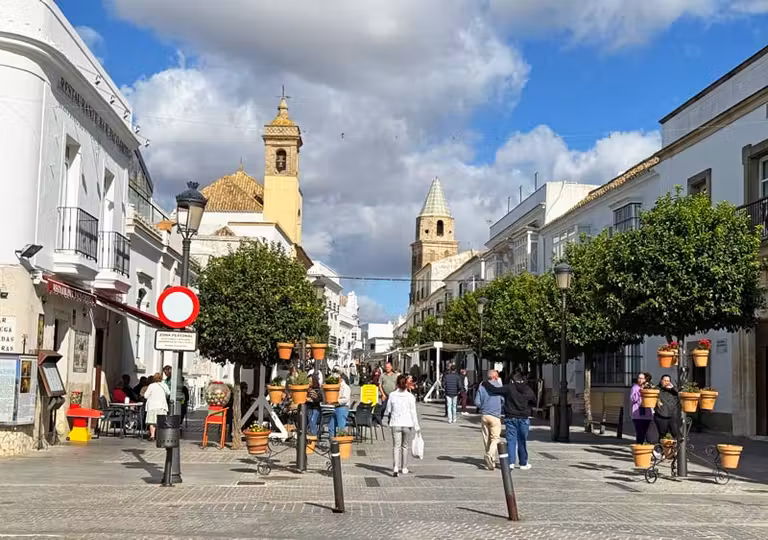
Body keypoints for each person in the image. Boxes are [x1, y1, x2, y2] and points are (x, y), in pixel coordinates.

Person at [482, 371, 536, 470]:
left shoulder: (509, 388)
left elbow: (494, 390)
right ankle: (523, 463)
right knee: (522, 441)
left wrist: (485, 383)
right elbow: (534, 401)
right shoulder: (528, 390)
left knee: (511, 441)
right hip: (523, 418)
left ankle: (511, 462)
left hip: (510, 417)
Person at [384, 374, 420, 477]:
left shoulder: (392, 395)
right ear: (407, 384)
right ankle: (404, 467)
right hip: (407, 423)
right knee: (405, 446)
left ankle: (395, 466)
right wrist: (416, 426)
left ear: (397, 384)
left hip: (395, 423)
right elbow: (413, 412)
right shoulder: (410, 397)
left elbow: (388, 409)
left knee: (396, 446)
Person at [475, 369, 504, 471]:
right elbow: (503, 400)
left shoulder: (482, 386)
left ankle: (491, 462)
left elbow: (477, 402)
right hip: (495, 416)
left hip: (484, 415)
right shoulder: (499, 386)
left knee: (487, 439)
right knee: (495, 438)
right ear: (496, 377)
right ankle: (490, 455)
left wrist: (483, 407)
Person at [144, 373, 170, 441]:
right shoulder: (164, 385)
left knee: (152, 422)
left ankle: (152, 435)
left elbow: (145, 396)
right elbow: (168, 393)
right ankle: (160, 435)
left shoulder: (151, 386)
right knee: (161, 421)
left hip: (152, 406)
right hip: (162, 405)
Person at [654, 374, 680, 442]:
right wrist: (657, 400)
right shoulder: (657, 389)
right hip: (661, 415)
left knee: (675, 434)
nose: (666, 382)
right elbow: (652, 396)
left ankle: (674, 450)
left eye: (668, 381)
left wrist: (673, 388)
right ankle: (662, 450)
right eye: (664, 380)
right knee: (662, 435)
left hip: (672, 415)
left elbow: (680, 394)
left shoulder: (673, 390)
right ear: (661, 381)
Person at [630, 372, 653, 444]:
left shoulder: (649, 387)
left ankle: (646, 450)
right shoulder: (635, 387)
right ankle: (639, 449)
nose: (640, 380)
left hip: (647, 414)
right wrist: (640, 390)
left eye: (642, 378)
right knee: (640, 434)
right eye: (639, 378)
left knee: (647, 435)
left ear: (645, 379)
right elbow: (633, 399)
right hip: (637, 415)